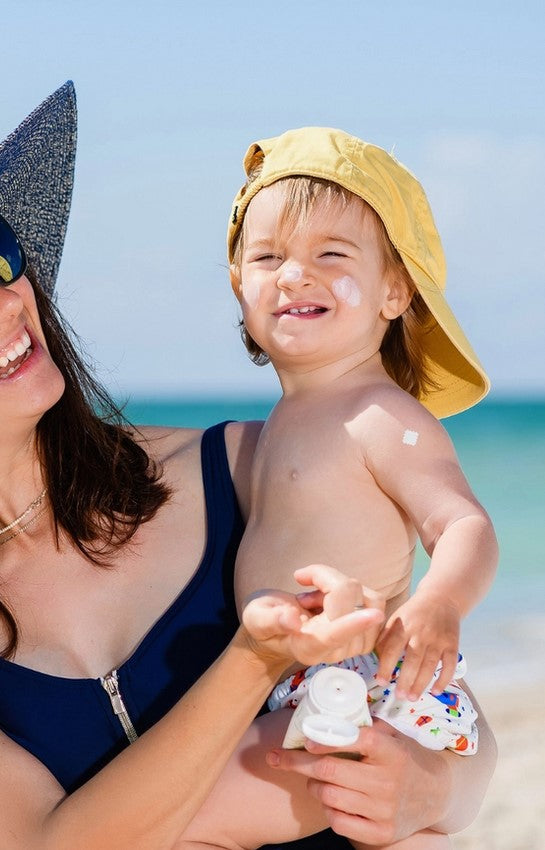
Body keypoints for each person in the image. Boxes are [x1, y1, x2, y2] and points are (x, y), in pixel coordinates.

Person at [0, 83, 496, 850]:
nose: (4, 304)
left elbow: (440, 714)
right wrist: (253, 659)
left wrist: (434, 790)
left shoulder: (244, 465)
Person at [214, 127, 500, 848]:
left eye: (329, 256)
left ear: (393, 291)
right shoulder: (282, 421)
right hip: (303, 690)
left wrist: (438, 601)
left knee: (175, 820)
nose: (293, 275)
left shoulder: (382, 416)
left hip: (359, 689)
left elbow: (462, 523)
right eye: (267, 256)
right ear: (236, 281)